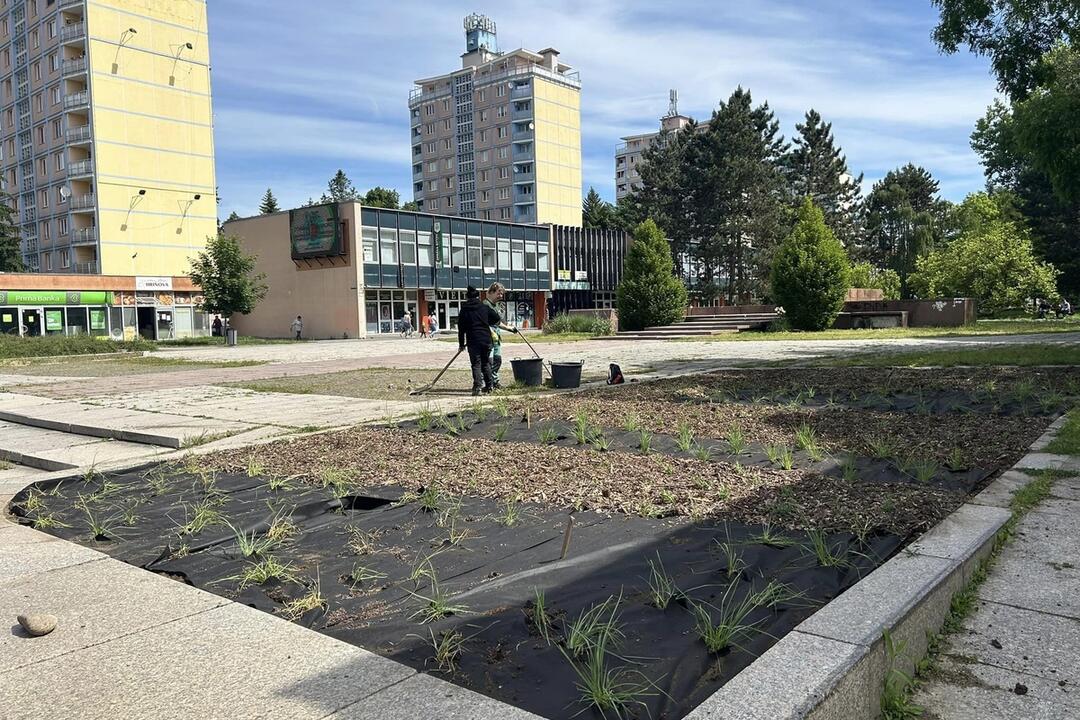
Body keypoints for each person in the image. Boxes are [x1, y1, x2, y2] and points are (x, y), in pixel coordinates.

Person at [458, 286, 502, 395]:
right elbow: (496, 318)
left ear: (467, 297)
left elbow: (461, 329)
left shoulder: (464, 309)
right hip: (486, 339)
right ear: (478, 296)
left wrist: (461, 344)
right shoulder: (483, 307)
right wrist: (486, 322)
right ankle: (489, 386)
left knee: (476, 364)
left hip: (473, 340)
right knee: (486, 363)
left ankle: (478, 387)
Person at [484, 282, 519, 389]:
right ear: (491, 292)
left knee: (497, 361)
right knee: (488, 362)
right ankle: (486, 383)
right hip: (487, 338)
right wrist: (491, 331)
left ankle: (495, 381)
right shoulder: (485, 305)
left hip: (497, 338)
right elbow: (484, 322)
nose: (501, 296)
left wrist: (510, 328)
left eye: (502, 294)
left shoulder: (497, 306)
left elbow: (498, 322)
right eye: (499, 293)